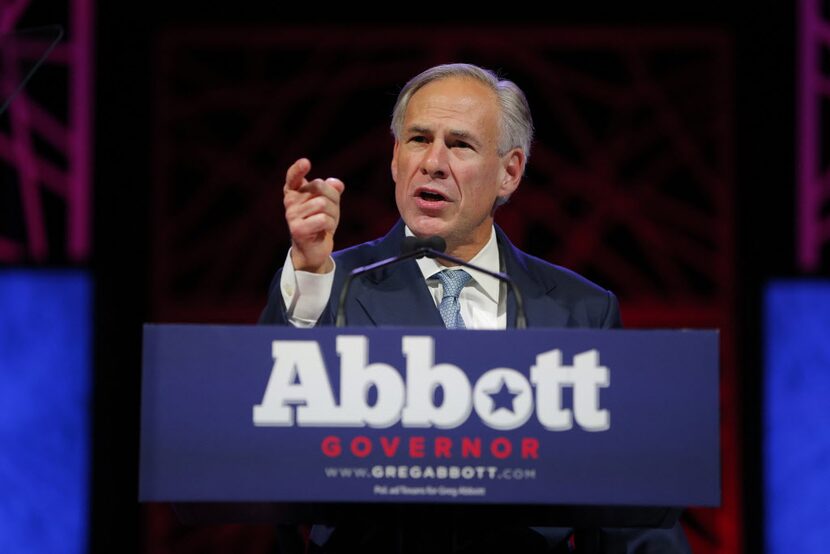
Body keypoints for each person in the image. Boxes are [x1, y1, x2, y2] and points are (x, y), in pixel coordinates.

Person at [260, 63, 690, 553]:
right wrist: (311, 272)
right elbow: (263, 434)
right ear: (396, 158)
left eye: (460, 144)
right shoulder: (328, 286)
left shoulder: (580, 311)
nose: (434, 162)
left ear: (509, 172)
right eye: (419, 139)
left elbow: (629, 508)